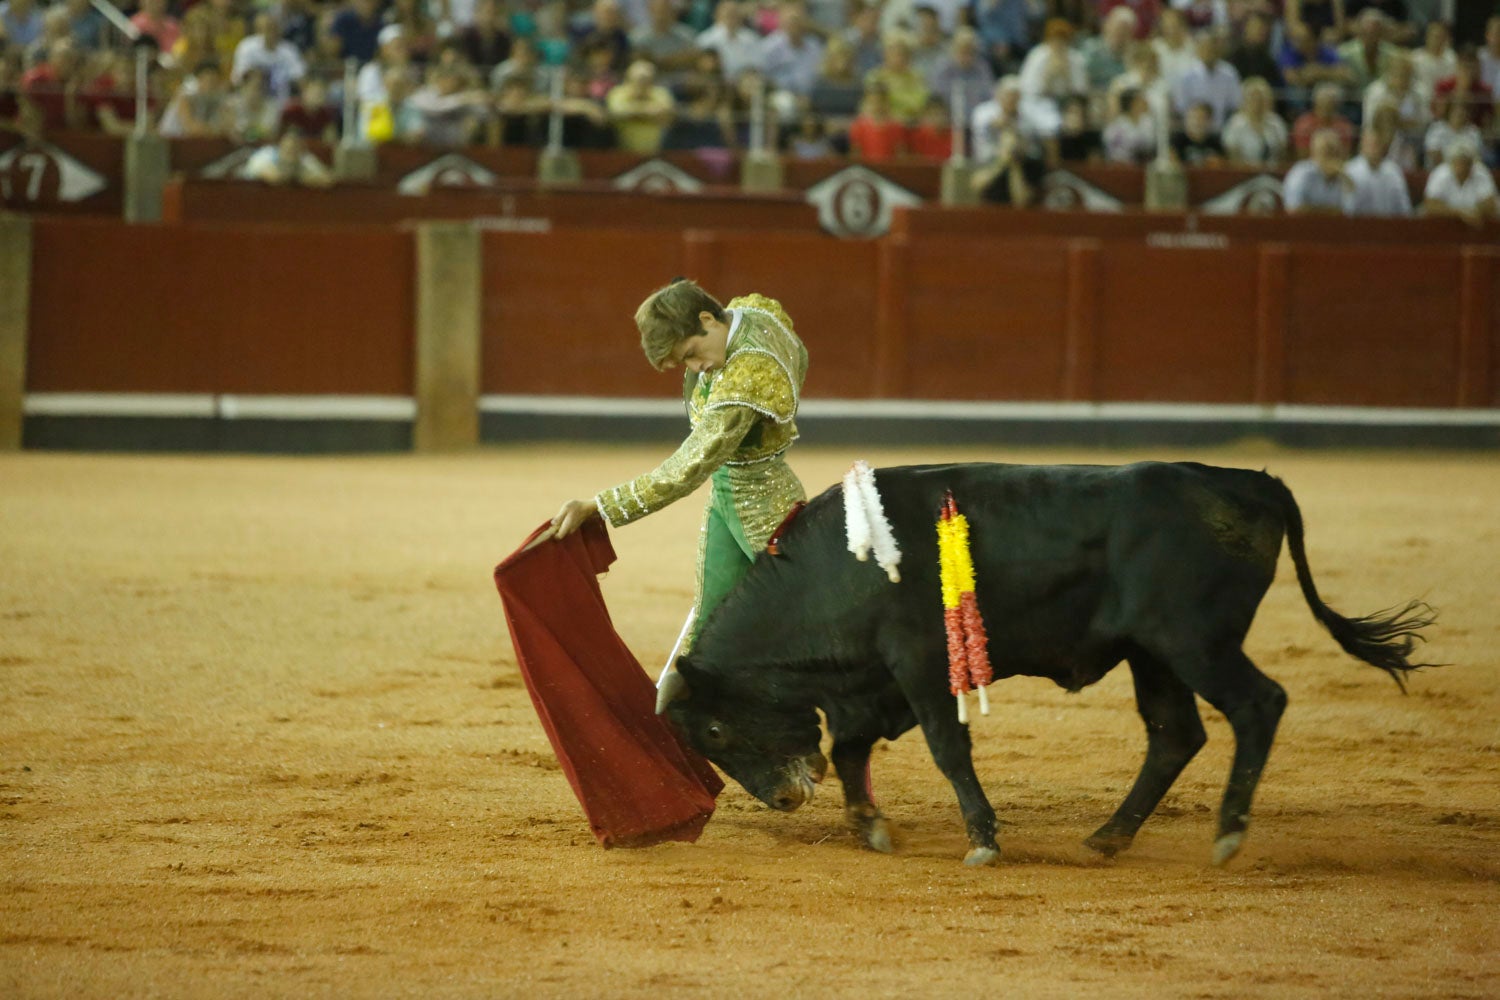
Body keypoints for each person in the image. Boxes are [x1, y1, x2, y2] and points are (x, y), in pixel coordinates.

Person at [548, 280, 810, 646]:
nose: (696, 367)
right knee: (711, 618)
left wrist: (600, 506)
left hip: (764, 508)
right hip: (735, 495)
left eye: (691, 352)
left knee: (805, 618)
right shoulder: (754, 313)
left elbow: (687, 467)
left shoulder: (746, 377)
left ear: (708, 318)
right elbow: (792, 342)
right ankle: (689, 699)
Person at [1173, 30, 1241, 129]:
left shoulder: (1229, 74)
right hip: (1194, 131)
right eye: (1204, 48)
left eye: (1211, 48)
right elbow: (1182, 107)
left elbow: (1235, 105)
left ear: (1217, 49)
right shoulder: (1187, 75)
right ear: (1198, 50)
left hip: (1221, 130)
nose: (1208, 52)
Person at [1422, 136, 1498, 224]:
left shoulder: (1481, 172)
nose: (1462, 166)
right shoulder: (1440, 173)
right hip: (1444, 225)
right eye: (1459, 161)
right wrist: (1460, 213)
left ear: (1472, 162)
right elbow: (1430, 205)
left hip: (1476, 225)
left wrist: (1476, 211)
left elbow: (1491, 204)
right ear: (1451, 161)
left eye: (1466, 161)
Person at [607, 59, 675, 153]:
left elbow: (666, 115)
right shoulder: (618, 92)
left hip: (657, 152)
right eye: (639, 79)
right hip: (623, 153)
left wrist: (633, 112)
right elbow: (617, 112)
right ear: (628, 78)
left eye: (647, 79)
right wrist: (648, 112)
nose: (642, 83)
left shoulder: (660, 93)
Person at [1344, 126, 1412, 216]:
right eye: (1368, 144)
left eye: (1376, 144)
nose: (1372, 148)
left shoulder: (1393, 171)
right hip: (1358, 224)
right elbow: (1346, 207)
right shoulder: (1350, 170)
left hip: (1389, 224)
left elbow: (1404, 207)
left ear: (1382, 146)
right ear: (1361, 146)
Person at [1282, 127, 1352, 214]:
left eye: (1335, 152)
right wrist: (1329, 212)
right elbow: (1293, 209)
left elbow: (1351, 212)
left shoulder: (1345, 175)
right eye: (1326, 151)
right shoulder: (1301, 173)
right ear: (1314, 153)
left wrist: (1348, 180)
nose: (1331, 157)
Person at [1223, 76, 1288, 165]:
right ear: (1244, 100)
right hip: (1243, 174)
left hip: (1272, 173)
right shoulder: (1235, 124)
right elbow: (1233, 157)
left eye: (1261, 99)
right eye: (1253, 98)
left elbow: (1282, 154)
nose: (1257, 103)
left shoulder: (1276, 123)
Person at [241, 127, 333, 186]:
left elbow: (327, 179)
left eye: (294, 149)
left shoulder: (306, 159)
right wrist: (303, 177)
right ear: (280, 147)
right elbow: (273, 176)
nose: (291, 153)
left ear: (300, 151)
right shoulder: (266, 154)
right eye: (287, 149)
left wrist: (311, 177)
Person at [1291, 80, 1354, 157]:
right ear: (1315, 102)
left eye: (1331, 103)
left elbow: (1345, 153)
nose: (1326, 107)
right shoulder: (1304, 123)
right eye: (1323, 102)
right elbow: (1302, 154)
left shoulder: (1344, 125)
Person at [1172, 99, 1226, 165]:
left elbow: (1222, 163)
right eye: (1193, 118)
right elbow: (1172, 162)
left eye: (1201, 118)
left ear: (1210, 121)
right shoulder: (1177, 140)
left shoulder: (1215, 142)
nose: (1196, 122)